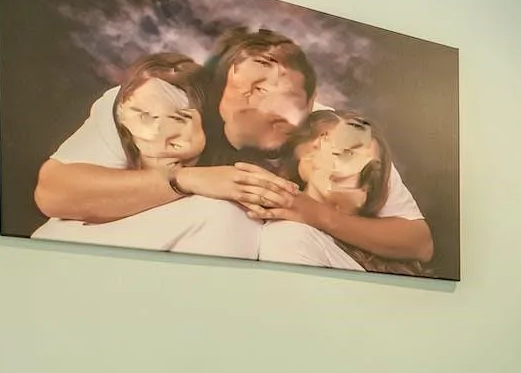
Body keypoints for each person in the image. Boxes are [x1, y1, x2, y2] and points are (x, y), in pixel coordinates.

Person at [34, 29, 433, 268]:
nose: (283, 116)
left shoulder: (329, 130)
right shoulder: (159, 100)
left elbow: (418, 241)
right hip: (118, 259)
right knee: (223, 214)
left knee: (279, 235)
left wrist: (314, 213)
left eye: (292, 103)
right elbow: (54, 193)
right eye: (254, 94)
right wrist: (186, 179)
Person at [30, 52, 262, 257]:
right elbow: (52, 193)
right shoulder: (131, 101)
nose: (159, 134)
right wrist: (184, 179)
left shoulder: (244, 130)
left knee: (230, 216)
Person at [259, 109, 433, 272]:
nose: (360, 169)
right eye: (349, 153)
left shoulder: (378, 248)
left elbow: (422, 244)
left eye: (370, 172)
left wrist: (323, 216)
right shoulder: (290, 238)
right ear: (311, 155)